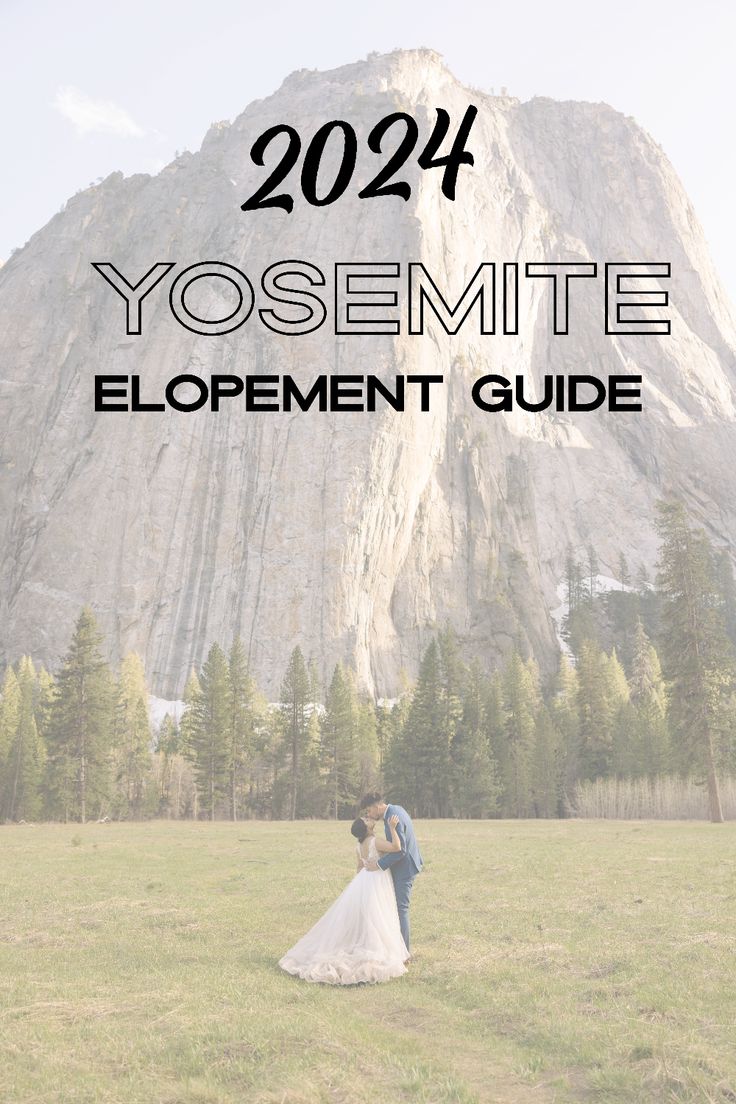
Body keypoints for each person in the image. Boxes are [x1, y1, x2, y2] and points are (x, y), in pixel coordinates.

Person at [278, 813, 409, 985]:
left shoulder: (359, 844)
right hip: (376, 880)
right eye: (367, 820)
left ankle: (368, 944)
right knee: (379, 916)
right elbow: (397, 847)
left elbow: (359, 866)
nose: (370, 819)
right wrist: (392, 828)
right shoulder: (374, 842)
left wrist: (357, 888)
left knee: (369, 917)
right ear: (367, 828)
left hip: (363, 880)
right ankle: (377, 950)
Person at [358, 793, 422, 953]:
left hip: (405, 868)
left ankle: (404, 954)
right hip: (403, 865)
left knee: (401, 909)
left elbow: (400, 850)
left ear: (376, 806)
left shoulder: (393, 817)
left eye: (368, 811)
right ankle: (395, 947)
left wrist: (378, 864)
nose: (368, 815)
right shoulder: (395, 809)